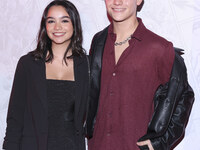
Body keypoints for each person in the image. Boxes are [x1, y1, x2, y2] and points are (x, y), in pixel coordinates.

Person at [86, 0, 194, 150]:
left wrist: (161, 141)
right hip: (98, 145)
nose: (117, 2)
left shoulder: (159, 47)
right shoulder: (98, 41)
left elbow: (184, 95)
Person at [3, 0, 89, 150]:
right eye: (51, 21)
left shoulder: (86, 66)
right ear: (45, 26)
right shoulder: (28, 64)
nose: (57, 27)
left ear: (74, 25)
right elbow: (15, 119)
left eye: (64, 20)